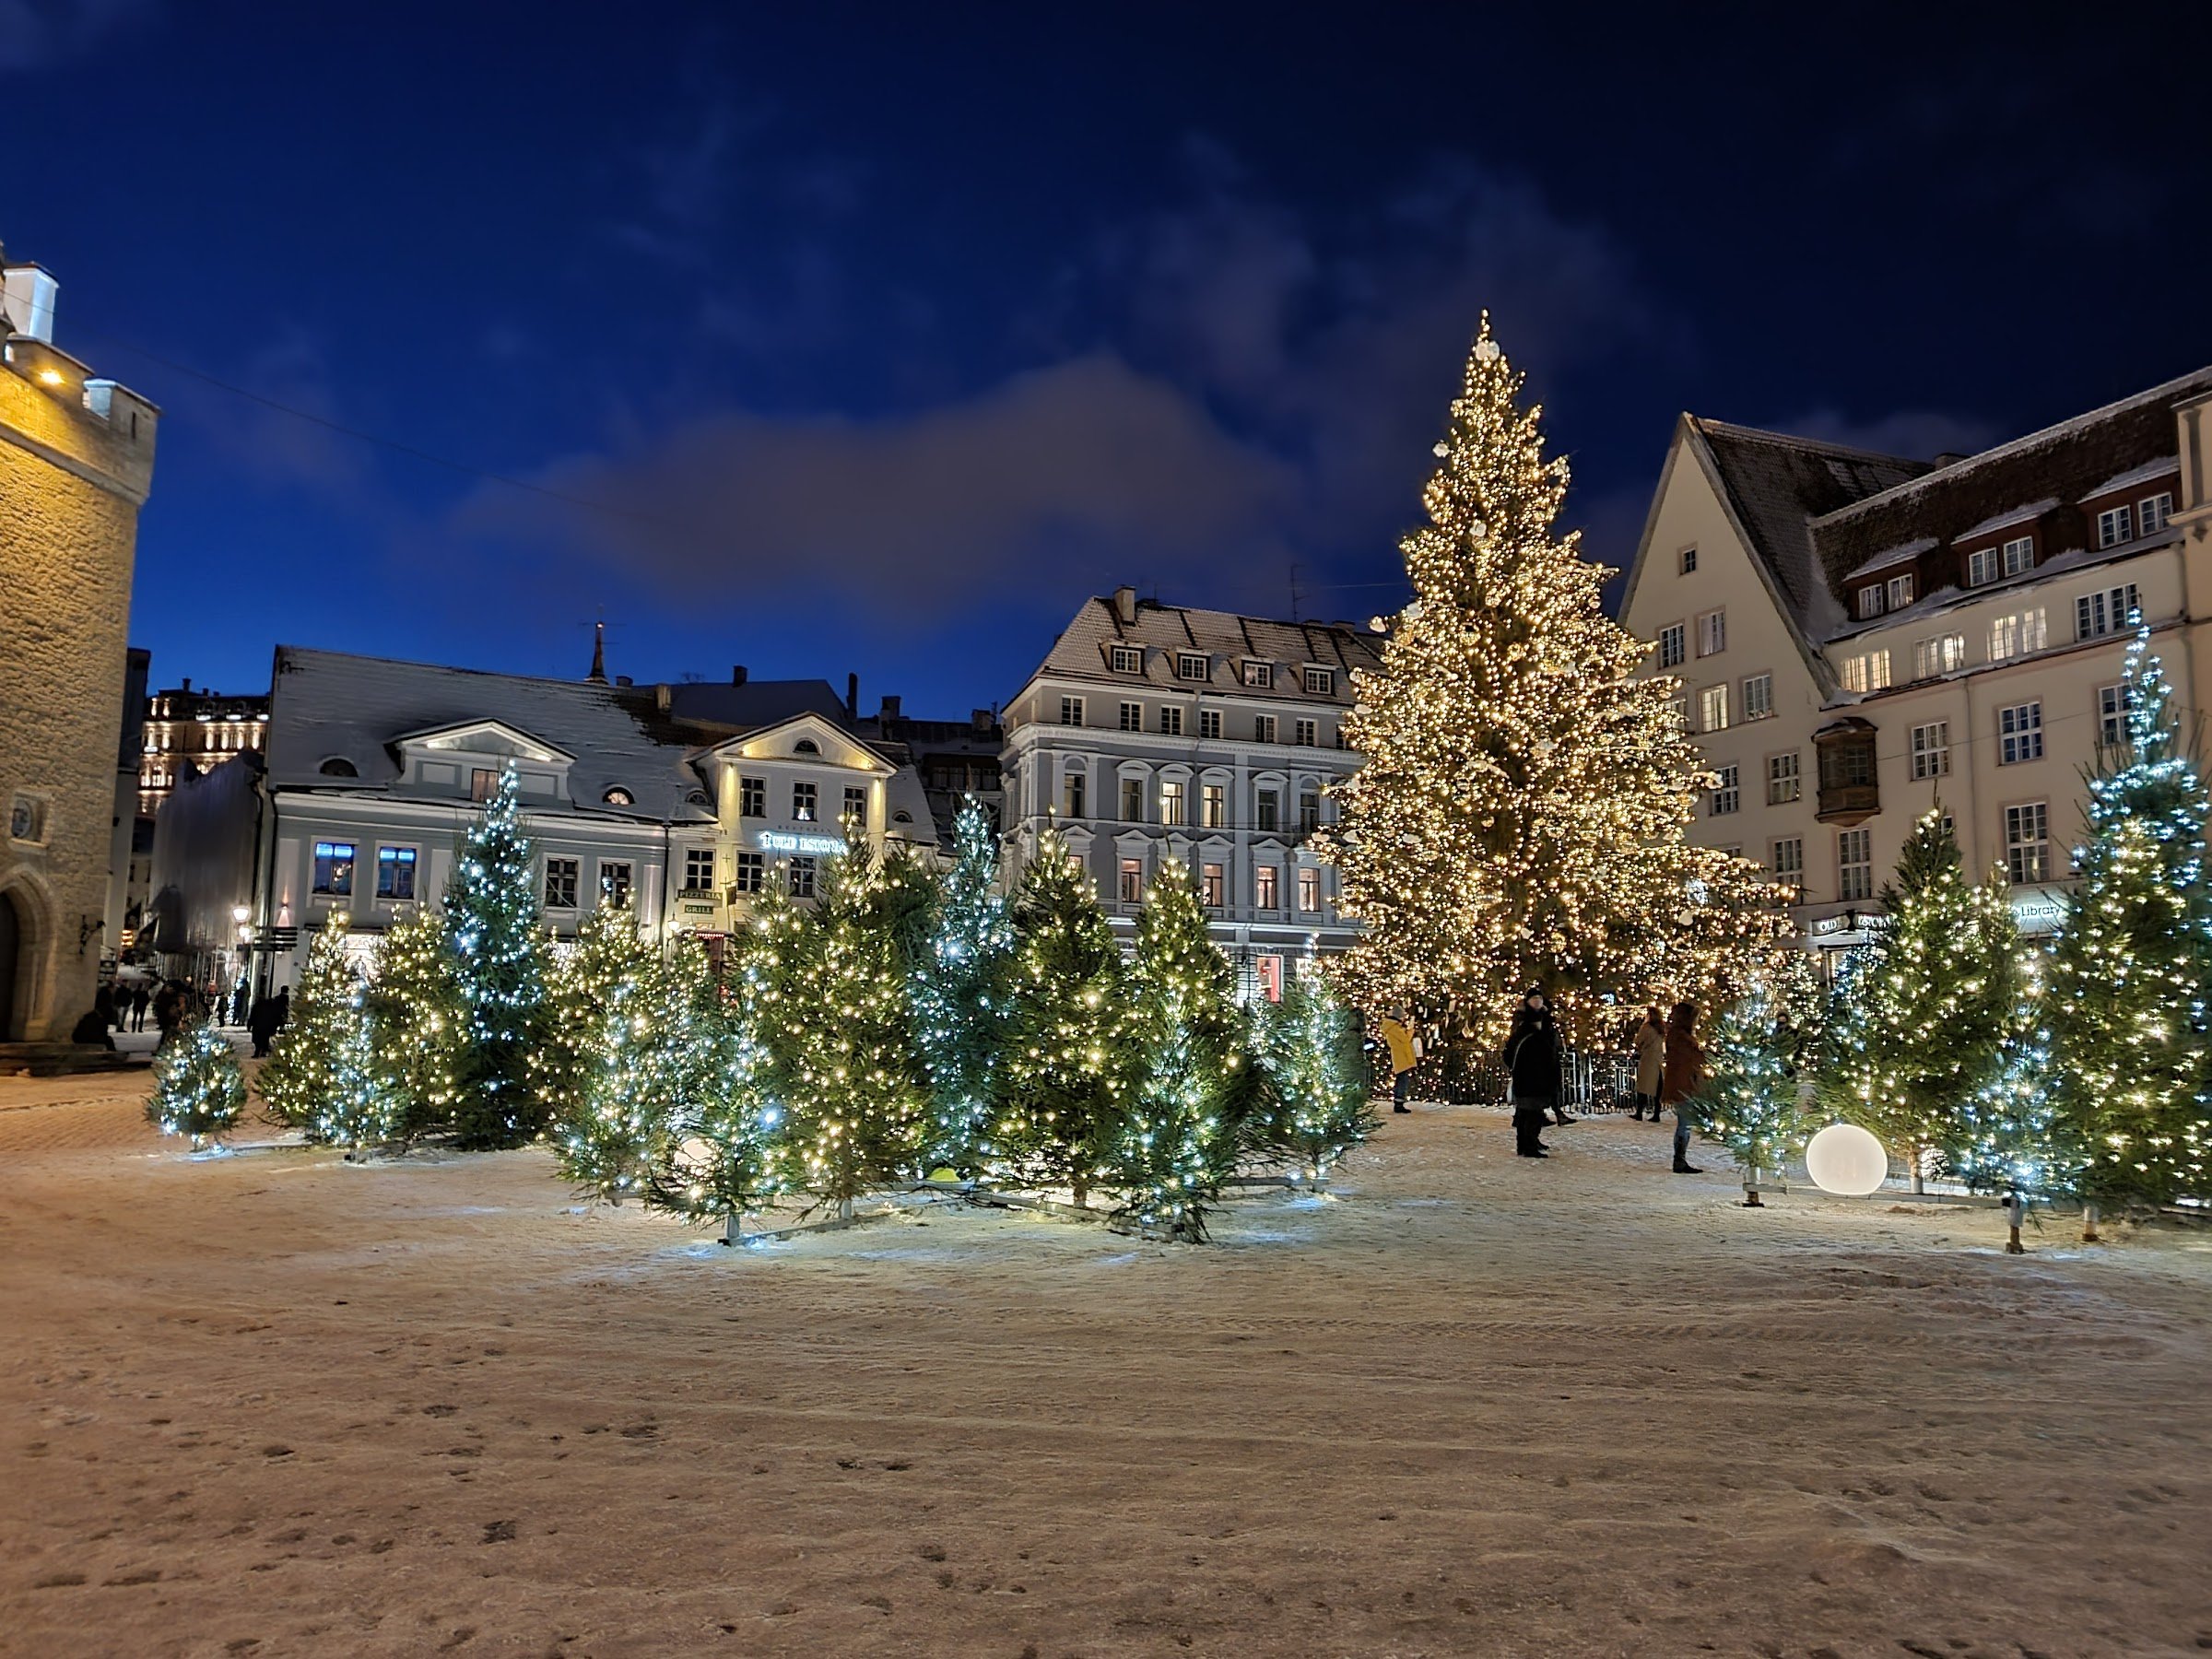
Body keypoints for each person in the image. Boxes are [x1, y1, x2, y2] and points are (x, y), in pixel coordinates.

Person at [1503, 990, 1561, 1158]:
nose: (1537, 1001)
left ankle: (1529, 1142)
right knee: (1530, 1111)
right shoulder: (1524, 1023)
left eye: (1540, 998)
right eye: (1534, 998)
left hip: (1541, 1072)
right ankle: (1527, 1145)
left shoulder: (1545, 1019)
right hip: (1529, 1072)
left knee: (1532, 1110)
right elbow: (1512, 1048)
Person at [1661, 1000, 1707, 1174]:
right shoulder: (1679, 1037)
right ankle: (1679, 1161)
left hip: (1684, 1084)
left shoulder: (1678, 1035)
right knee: (1684, 1125)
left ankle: (1680, 1160)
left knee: (1685, 1124)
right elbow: (1693, 1058)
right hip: (1683, 1086)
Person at [1379, 1009, 1418, 1112]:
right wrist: (1410, 1031)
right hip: (1401, 1056)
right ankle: (1399, 1103)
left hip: (1400, 1055)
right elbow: (1405, 1039)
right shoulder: (1394, 1028)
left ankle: (1399, 1102)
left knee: (1402, 1079)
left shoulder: (1393, 1027)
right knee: (1402, 1079)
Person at [1631, 1006, 1665, 1121]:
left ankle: (1639, 1112)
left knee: (1643, 1087)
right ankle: (1656, 1114)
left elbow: (1638, 1041)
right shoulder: (1661, 1028)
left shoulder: (1646, 1028)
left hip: (1648, 1059)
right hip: (1658, 1061)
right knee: (1657, 1089)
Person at [250, 985, 290, 1059]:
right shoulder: (272, 1005)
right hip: (267, 1025)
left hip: (258, 1025)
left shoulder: (257, 1006)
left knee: (258, 1039)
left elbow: (252, 1016)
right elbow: (277, 1014)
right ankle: (264, 1051)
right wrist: (279, 1023)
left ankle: (258, 1052)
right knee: (265, 1039)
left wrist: (250, 1025)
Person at [152, 980, 184, 1048]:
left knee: (169, 1033)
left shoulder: (175, 997)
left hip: (170, 1018)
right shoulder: (163, 996)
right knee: (167, 1033)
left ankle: (166, 1047)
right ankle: (164, 1047)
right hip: (166, 1017)